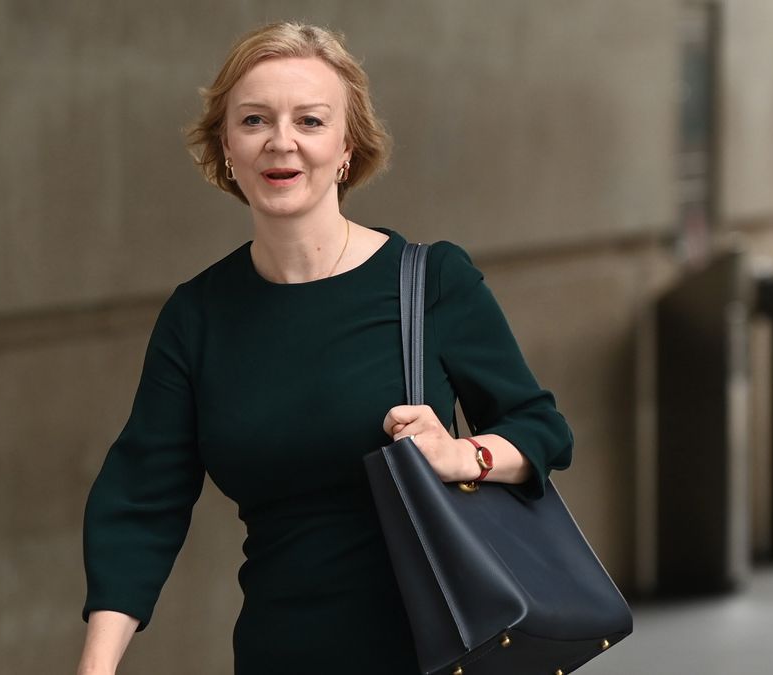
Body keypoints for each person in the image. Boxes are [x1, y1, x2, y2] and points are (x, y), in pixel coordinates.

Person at [77, 21, 573, 675]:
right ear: (226, 147)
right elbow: (141, 500)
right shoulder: (197, 317)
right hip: (278, 655)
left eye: (310, 121)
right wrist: (96, 665)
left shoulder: (431, 282)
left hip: (434, 655)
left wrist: (462, 455)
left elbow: (542, 429)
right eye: (254, 120)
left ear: (346, 147)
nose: (281, 141)